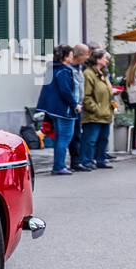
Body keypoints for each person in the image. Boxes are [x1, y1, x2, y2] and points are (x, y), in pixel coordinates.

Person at [36, 45, 80, 174]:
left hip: (52, 109)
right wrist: (74, 105)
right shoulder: (64, 70)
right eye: (71, 55)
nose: (72, 58)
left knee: (59, 138)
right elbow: (65, 90)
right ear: (66, 57)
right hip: (63, 110)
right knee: (64, 138)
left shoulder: (51, 69)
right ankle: (59, 167)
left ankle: (58, 165)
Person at [78, 49, 115, 170]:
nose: (107, 60)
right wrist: (96, 109)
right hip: (94, 114)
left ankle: (100, 160)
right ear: (98, 59)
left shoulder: (103, 73)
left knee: (103, 139)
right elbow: (86, 96)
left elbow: (105, 90)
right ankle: (86, 160)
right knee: (90, 140)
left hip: (106, 112)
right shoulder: (88, 74)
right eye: (105, 58)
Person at [67, 44, 90, 170]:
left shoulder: (80, 67)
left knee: (77, 135)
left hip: (78, 105)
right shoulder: (68, 68)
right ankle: (74, 162)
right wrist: (74, 104)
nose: (88, 57)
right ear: (80, 54)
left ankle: (77, 161)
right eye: (86, 54)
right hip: (72, 106)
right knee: (72, 135)